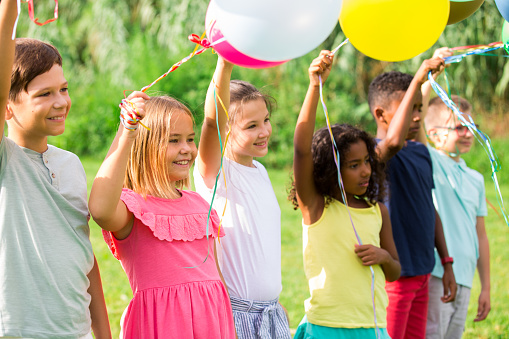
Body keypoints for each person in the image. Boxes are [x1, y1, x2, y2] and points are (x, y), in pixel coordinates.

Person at [0, 2, 111, 338]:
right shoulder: (6, 160)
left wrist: (103, 334)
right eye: (44, 93)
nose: (61, 101)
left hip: (73, 330)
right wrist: (10, 11)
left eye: (63, 89)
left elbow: (84, 257)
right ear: (7, 107)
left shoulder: (71, 164)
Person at [88, 92, 236, 338]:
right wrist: (127, 132)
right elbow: (101, 210)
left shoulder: (200, 205)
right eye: (174, 140)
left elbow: (216, 279)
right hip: (161, 327)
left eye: (190, 139)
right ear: (145, 146)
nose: (187, 149)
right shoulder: (133, 207)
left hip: (212, 324)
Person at [290, 50, 401, 339]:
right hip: (326, 327)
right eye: (353, 165)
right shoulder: (316, 207)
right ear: (329, 169)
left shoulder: (378, 211)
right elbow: (302, 150)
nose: (365, 171)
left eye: (367, 161)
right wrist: (315, 86)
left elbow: (395, 270)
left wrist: (383, 257)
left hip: (372, 328)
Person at [193, 56, 292, 338]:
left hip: (271, 313)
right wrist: (224, 64)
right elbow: (212, 123)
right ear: (228, 128)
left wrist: (274, 304)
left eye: (266, 120)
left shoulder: (260, 170)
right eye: (251, 126)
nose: (264, 132)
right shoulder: (216, 173)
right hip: (235, 315)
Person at [368, 57, 457, 339]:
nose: (417, 116)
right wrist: (418, 79)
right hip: (395, 275)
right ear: (381, 115)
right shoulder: (371, 155)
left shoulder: (420, 152)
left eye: (420, 108)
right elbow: (392, 143)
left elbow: (429, 210)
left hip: (422, 271)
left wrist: (446, 262)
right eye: (410, 108)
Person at [415, 73, 490, 338]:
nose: (469, 133)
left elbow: (481, 235)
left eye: (472, 126)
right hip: (438, 272)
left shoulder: (476, 178)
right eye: (460, 127)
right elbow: (416, 116)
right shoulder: (430, 161)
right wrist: (430, 78)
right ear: (433, 134)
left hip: (466, 277)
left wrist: (487, 287)